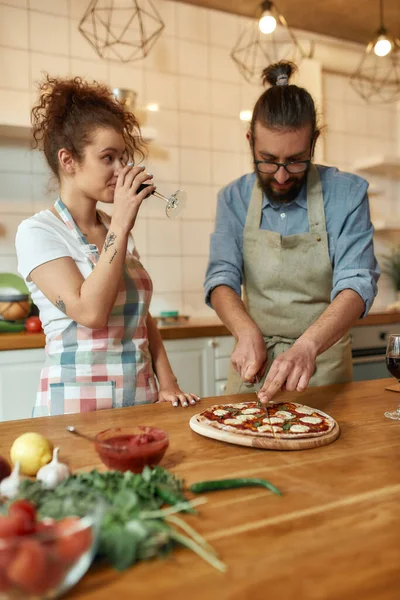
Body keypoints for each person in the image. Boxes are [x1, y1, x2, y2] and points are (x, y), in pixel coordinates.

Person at [16, 75, 199, 416]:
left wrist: (167, 380)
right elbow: (91, 313)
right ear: (68, 160)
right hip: (76, 411)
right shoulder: (38, 232)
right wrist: (121, 224)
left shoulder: (114, 230)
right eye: (108, 158)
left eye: (123, 157)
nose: (122, 169)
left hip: (141, 402)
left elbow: (141, 318)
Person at [204, 61, 380, 404]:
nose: (282, 176)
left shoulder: (347, 194)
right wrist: (244, 330)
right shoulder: (234, 198)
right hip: (252, 364)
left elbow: (358, 281)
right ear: (250, 141)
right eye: (267, 160)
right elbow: (221, 277)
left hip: (321, 364)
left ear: (314, 142)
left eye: (296, 160)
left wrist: (308, 345)